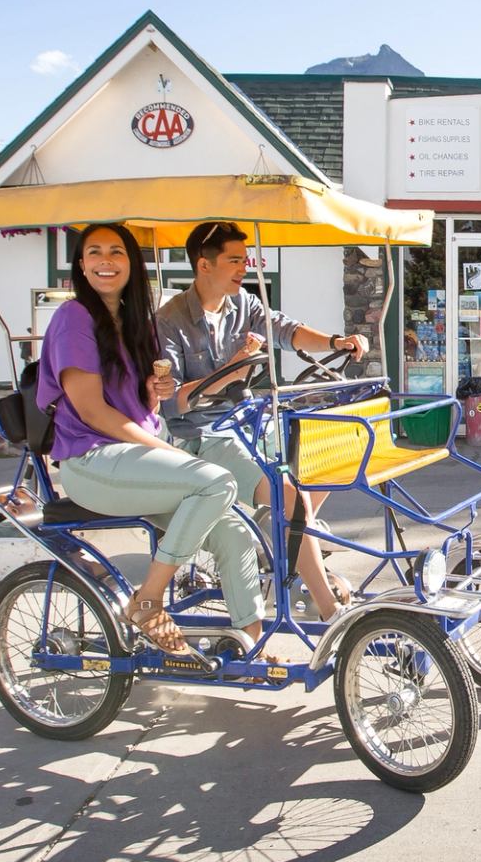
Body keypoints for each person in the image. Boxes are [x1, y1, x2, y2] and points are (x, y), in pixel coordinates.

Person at [36, 222, 263, 659]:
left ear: (131, 264)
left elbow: (144, 409)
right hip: (91, 460)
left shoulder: (135, 321)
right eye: (95, 252)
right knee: (217, 481)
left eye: (117, 252)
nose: (106, 261)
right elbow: (92, 411)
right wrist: (164, 448)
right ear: (81, 265)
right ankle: (148, 600)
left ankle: (250, 644)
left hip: (133, 460)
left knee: (236, 529)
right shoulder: (73, 318)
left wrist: (153, 398)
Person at [156, 220, 369, 621]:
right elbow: (175, 404)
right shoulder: (170, 321)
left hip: (250, 420)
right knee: (291, 496)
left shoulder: (244, 305)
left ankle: (283, 534)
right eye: (235, 260)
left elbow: (286, 330)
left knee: (333, 456)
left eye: (245, 259)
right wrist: (234, 371)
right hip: (203, 435)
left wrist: (335, 342)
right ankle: (328, 609)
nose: (244, 267)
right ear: (204, 265)